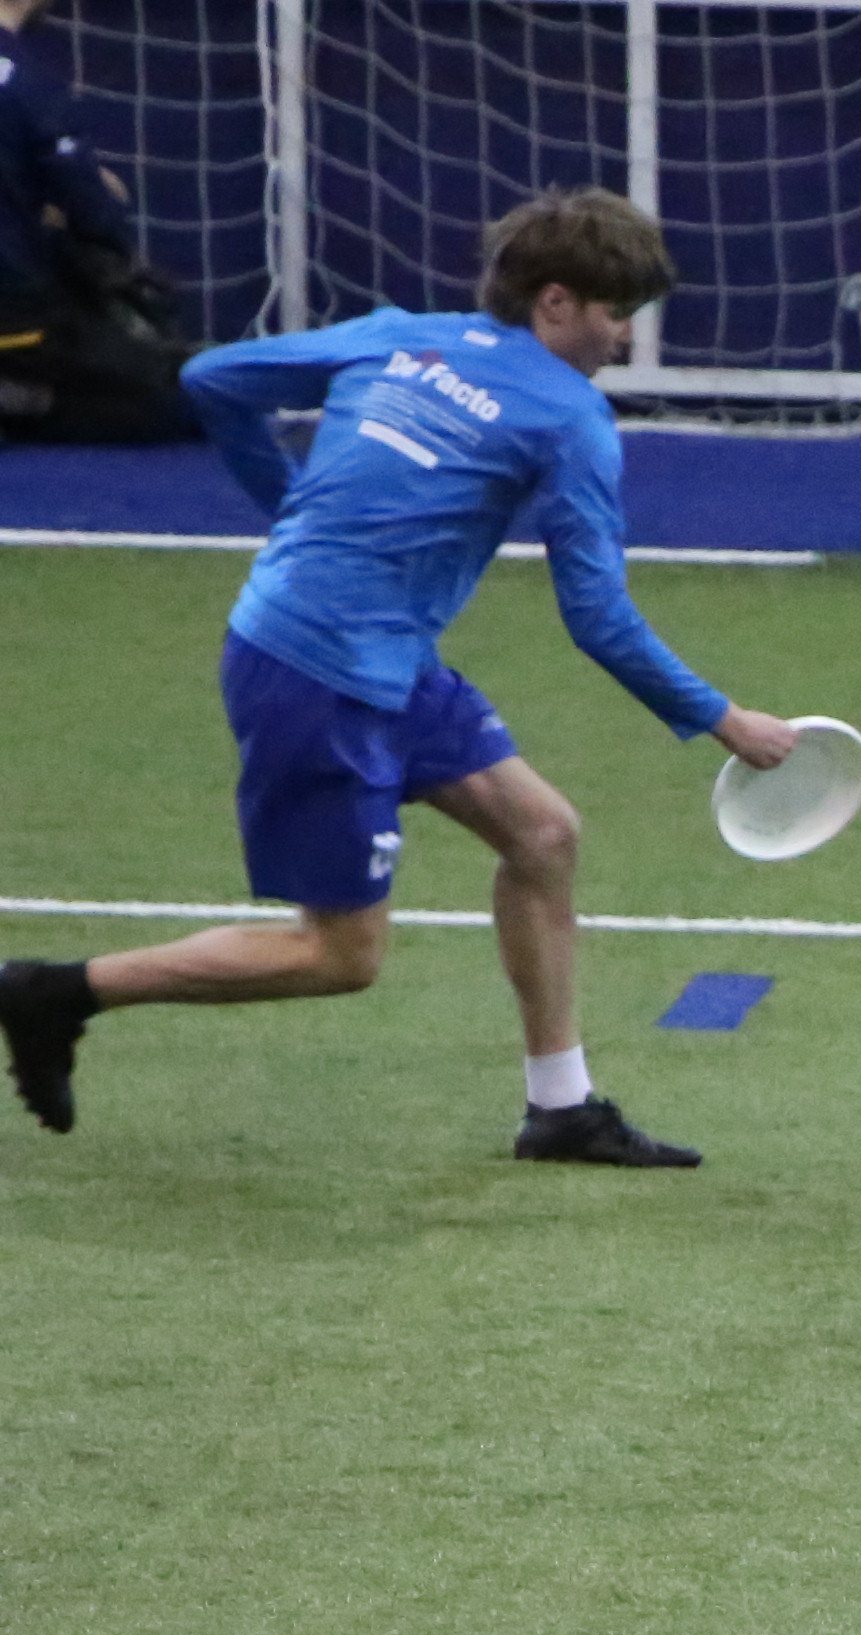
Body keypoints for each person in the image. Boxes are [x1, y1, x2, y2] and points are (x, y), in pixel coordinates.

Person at [0, 190, 804, 1159]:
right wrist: (725, 720)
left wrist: (291, 508)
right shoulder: (571, 419)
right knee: (340, 955)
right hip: (318, 676)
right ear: (556, 301)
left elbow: (214, 378)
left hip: (376, 661)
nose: (624, 337)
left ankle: (561, 1108)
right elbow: (596, 616)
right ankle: (58, 992)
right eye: (615, 312)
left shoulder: (401, 336)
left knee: (542, 834)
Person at [0, 0, 193, 444]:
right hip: (15, 315)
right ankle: (20, 400)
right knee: (180, 400)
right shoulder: (27, 81)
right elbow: (93, 212)